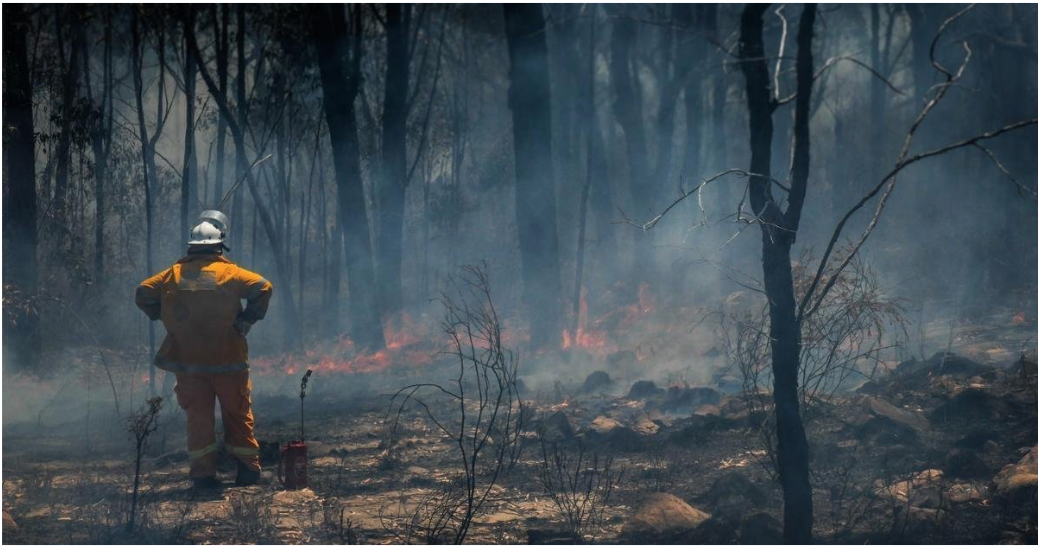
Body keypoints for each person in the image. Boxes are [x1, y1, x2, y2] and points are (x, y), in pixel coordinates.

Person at [135, 210, 273, 489]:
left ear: (191, 246)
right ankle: (247, 472)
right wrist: (246, 320)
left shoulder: (172, 275)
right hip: (229, 362)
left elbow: (143, 292)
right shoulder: (231, 274)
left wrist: (165, 316)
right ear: (220, 245)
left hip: (190, 365)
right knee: (237, 415)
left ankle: (202, 476)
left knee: (198, 421)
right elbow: (264, 287)